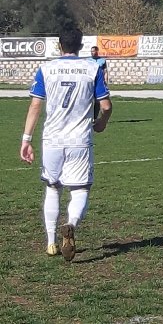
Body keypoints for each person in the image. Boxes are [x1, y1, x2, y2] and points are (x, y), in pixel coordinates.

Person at [20, 28, 112, 261]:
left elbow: (35, 106)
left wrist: (26, 139)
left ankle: (51, 242)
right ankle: (70, 224)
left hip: (52, 139)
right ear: (81, 46)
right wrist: (102, 122)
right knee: (80, 190)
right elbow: (107, 105)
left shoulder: (46, 68)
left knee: (52, 188)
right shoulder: (93, 68)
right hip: (79, 140)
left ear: (59, 46)